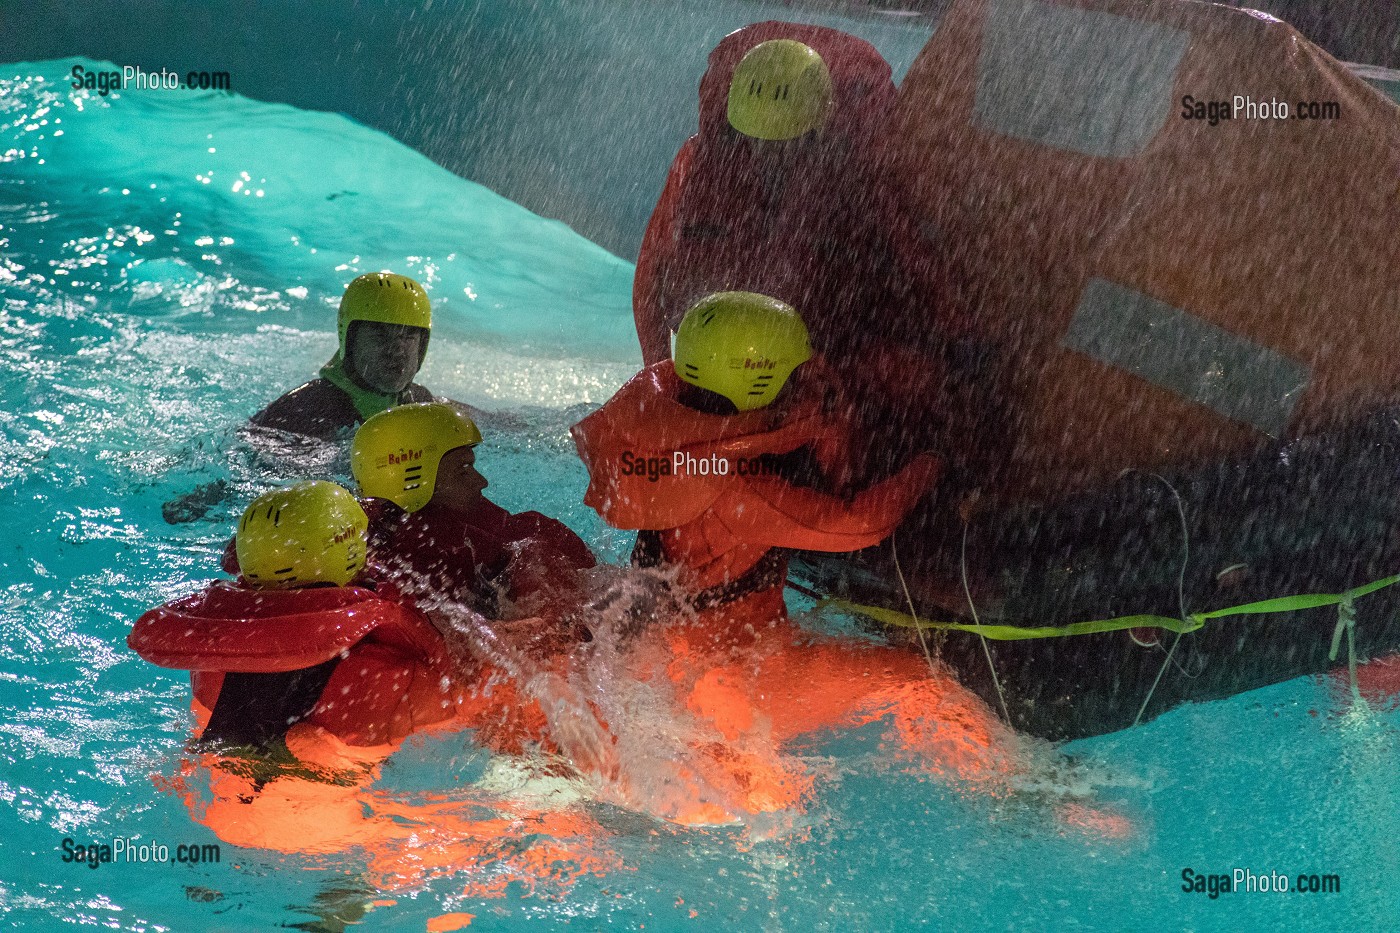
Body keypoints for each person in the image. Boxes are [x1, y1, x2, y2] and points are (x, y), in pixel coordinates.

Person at [573, 290, 936, 635]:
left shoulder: (666, 440)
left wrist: (774, 428)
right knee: (922, 686)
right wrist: (933, 460)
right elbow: (862, 522)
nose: (810, 387)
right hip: (724, 663)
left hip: (666, 625)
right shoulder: (740, 496)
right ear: (762, 389)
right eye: (798, 378)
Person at [632, 23, 909, 372]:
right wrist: (656, 371)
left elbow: (901, 294)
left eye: (784, 141)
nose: (765, 151)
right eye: (753, 138)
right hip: (720, 361)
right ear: (733, 126)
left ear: (819, 129)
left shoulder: (863, 185)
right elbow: (649, 279)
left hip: (812, 372)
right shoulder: (695, 164)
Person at [351, 402, 596, 625]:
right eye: (463, 470)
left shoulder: (449, 527)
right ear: (414, 481)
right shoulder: (430, 559)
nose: (482, 481)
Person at [248, 272, 437, 440]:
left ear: (423, 345)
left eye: (408, 335)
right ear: (350, 340)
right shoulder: (301, 412)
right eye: (379, 335)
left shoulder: (419, 402)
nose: (396, 350)